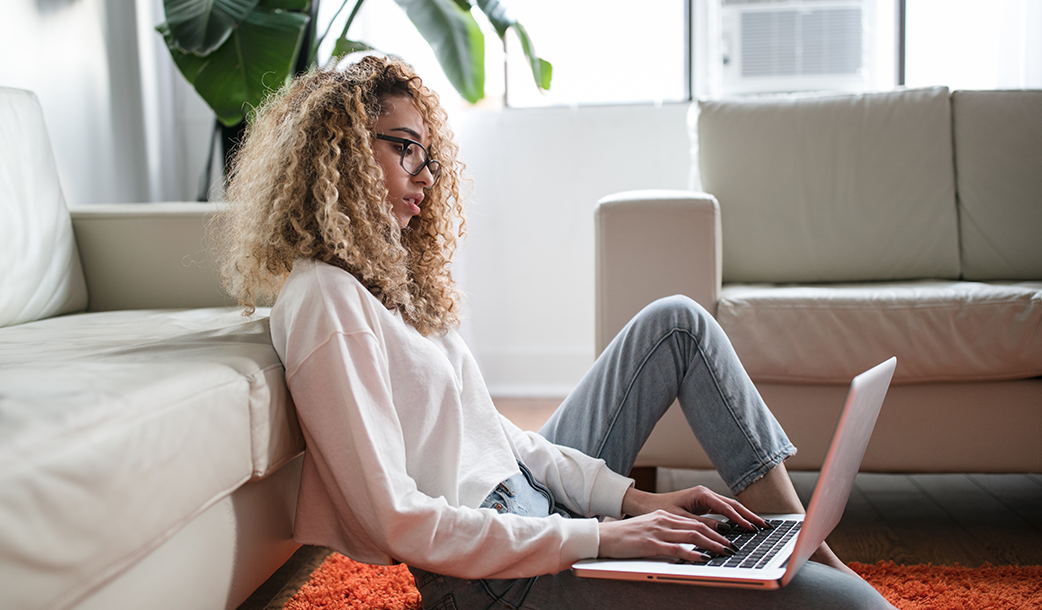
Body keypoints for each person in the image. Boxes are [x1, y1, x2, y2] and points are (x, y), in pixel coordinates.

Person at [215, 56, 893, 610]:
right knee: (850, 607)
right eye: (406, 149)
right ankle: (799, 564)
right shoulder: (324, 300)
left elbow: (498, 437)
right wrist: (600, 538)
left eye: (430, 154)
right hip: (496, 579)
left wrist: (633, 502)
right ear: (341, 156)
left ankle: (797, 540)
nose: (426, 173)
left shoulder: (390, 286)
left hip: (538, 514)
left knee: (676, 324)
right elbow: (397, 520)